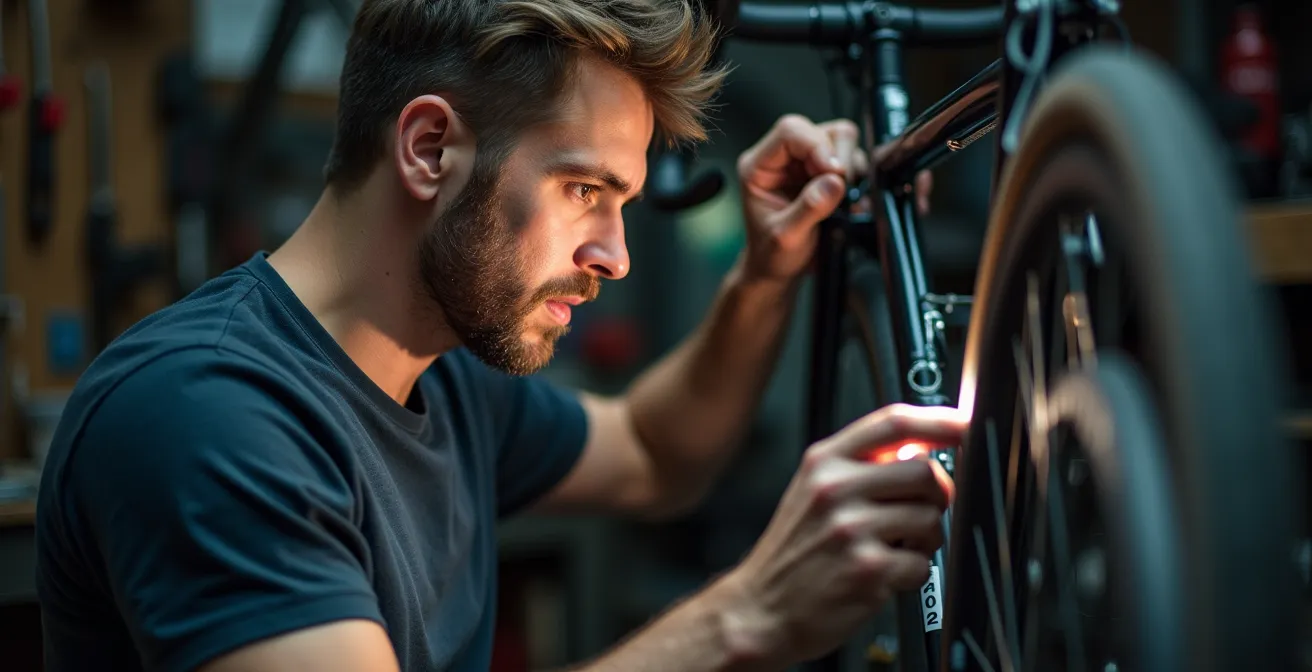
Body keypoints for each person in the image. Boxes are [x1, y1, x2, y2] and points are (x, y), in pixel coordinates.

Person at [34, 1, 958, 670]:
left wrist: (766, 270)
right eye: (584, 191)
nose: (616, 256)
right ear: (430, 148)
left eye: (623, 203)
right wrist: (743, 617)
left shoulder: (438, 373)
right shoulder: (207, 415)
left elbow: (650, 451)